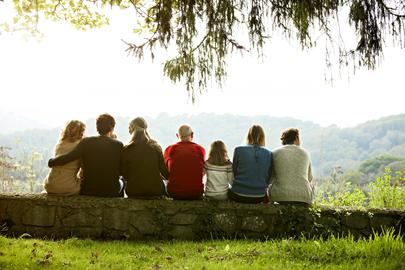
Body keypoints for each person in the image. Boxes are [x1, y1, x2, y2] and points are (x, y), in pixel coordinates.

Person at [48, 113, 124, 197]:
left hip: (88, 189)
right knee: (122, 181)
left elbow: (69, 157)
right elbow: (122, 170)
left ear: (97, 127)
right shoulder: (118, 145)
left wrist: (51, 162)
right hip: (111, 191)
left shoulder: (86, 142)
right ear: (112, 128)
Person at [122, 117, 169, 198]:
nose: (128, 130)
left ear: (132, 128)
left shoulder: (126, 148)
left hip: (134, 190)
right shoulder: (156, 147)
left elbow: (124, 173)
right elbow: (164, 171)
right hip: (156, 190)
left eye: (129, 127)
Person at [269, 128, 314, 206]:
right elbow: (309, 178)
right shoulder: (305, 153)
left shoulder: (274, 153)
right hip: (303, 197)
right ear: (296, 138)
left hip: (279, 196)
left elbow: (270, 177)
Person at [229, 125, 272, 203]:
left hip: (238, 194)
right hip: (259, 196)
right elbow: (268, 176)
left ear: (248, 135)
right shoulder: (269, 153)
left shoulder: (238, 150)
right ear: (263, 137)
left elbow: (234, 172)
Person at [43, 120, 86, 196]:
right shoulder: (80, 145)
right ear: (81, 132)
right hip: (67, 187)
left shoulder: (59, 144)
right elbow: (83, 169)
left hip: (50, 185)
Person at [164, 124, 205, 200]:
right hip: (196, 193)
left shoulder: (169, 149)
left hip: (174, 193)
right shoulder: (200, 150)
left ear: (177, 135)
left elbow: (165, 171)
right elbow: (202, 171)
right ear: (192, 134)